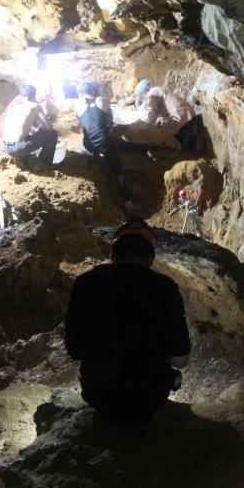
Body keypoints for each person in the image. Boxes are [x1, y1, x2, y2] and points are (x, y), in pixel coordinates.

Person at [65, 218, 191, 424]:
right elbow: (181, 360)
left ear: (113, 254)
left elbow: (74, 350)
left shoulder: (86, 283)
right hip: (148, 398)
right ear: (150, 258)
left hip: (99, 395)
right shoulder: (164, 288)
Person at [74, 81, 132, 210]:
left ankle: (97, 156)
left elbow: (82, 128)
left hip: (88, 144)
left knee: (94, 141)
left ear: (81, 94)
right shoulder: (104, 100)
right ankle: (127, 201)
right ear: (93, 91)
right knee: (119, 172)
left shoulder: (77, 104)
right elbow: (110, 122)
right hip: (105, 144)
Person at [133, 79, 205, 153]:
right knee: (161, 120)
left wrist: (139, 120)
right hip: (189, 114)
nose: (143, 100)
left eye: (141, 98)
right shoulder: (159, 90)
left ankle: (184, 138)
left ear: (143, 94)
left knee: (157, 124)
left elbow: (151, 119)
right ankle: (189, 135)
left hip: (182, 119)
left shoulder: (152, 94)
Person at [0, 84, 58, 167]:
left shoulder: (15, 106)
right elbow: (49, 128)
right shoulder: (34, 106)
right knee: (53, 134)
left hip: (6, 146)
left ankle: (22, 160)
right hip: (18, 147)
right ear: (34, 94)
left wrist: (35, 132)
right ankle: (43, 164)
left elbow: (20, 127)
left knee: (27, 137)